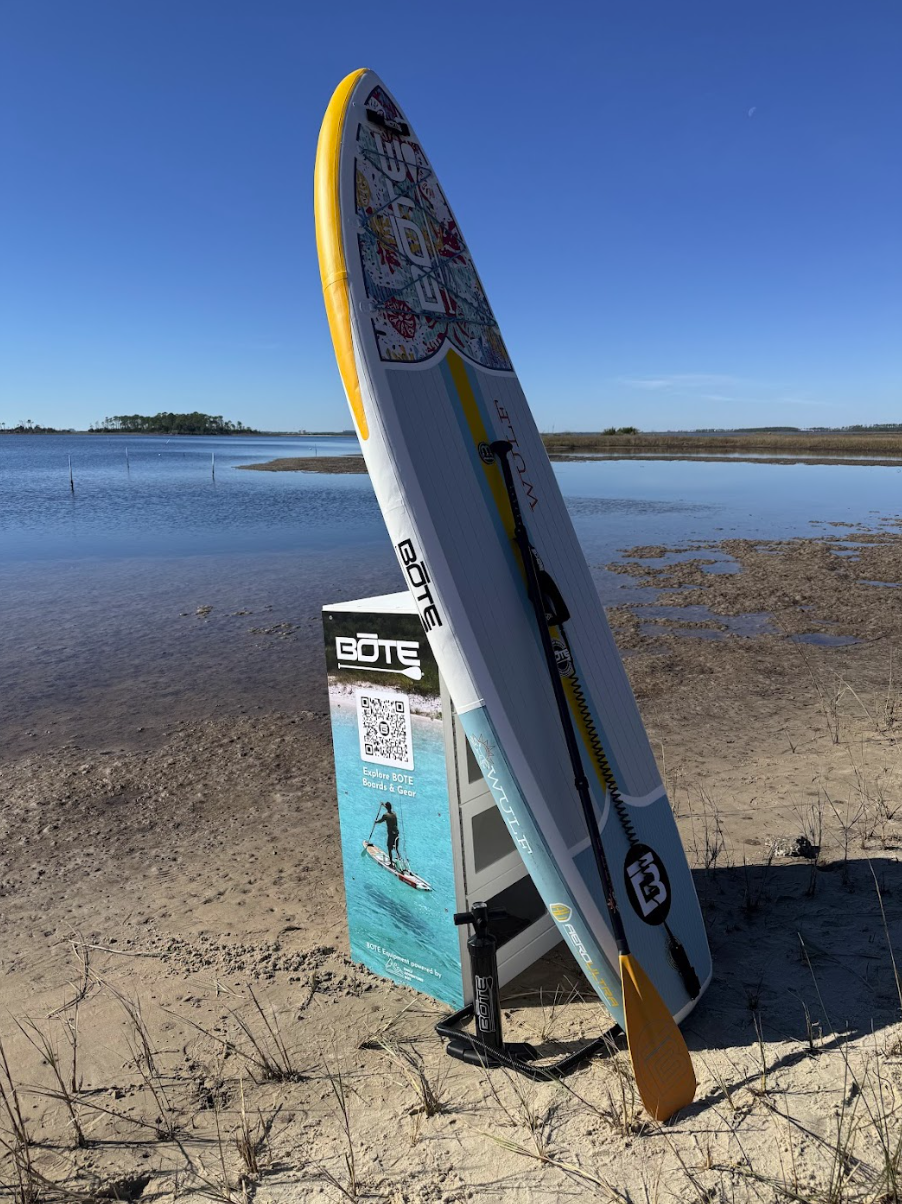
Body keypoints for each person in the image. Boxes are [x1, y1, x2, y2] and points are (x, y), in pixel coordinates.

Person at [374, 801, 400, 868]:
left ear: (386, 807)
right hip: (397, 833)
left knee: (389, 848)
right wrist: (383, 805)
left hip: (391, 834)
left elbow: (380, 821)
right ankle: (400, 861)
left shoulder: (385, 815)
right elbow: (396, 824)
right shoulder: (394, 814)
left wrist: (376, 822)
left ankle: (391, 864)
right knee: (396, 849)